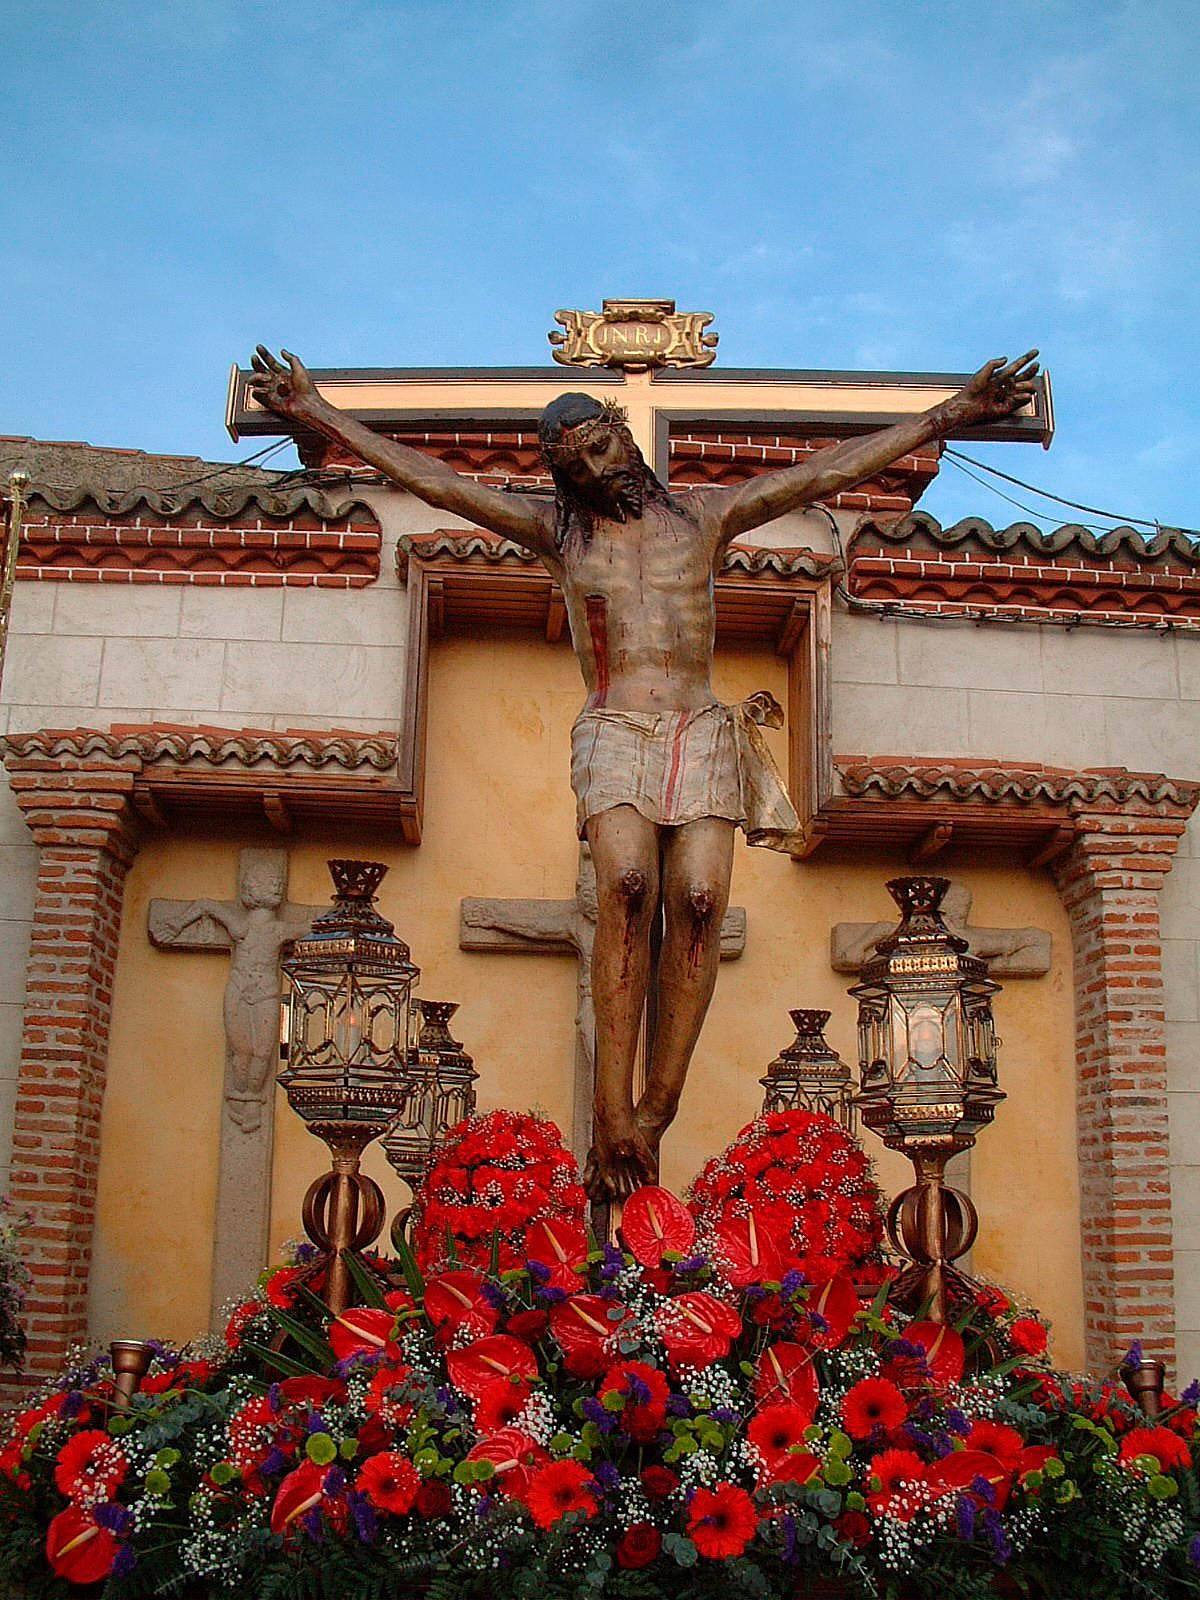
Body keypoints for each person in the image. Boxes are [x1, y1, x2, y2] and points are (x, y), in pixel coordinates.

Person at [248, 342, 1040, 1199]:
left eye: (599, 443)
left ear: (621, 435)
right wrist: (319, 415)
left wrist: (952, 414)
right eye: (573, 460)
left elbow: (820, 474)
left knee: (698, 902)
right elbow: (441, 484)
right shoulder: (561, 534)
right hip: (617, 724)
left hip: (700, 726)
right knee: (625, 884)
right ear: (561, 475)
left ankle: (655, 1107)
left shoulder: (703, 520)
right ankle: (609, 1109)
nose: (594, 465)